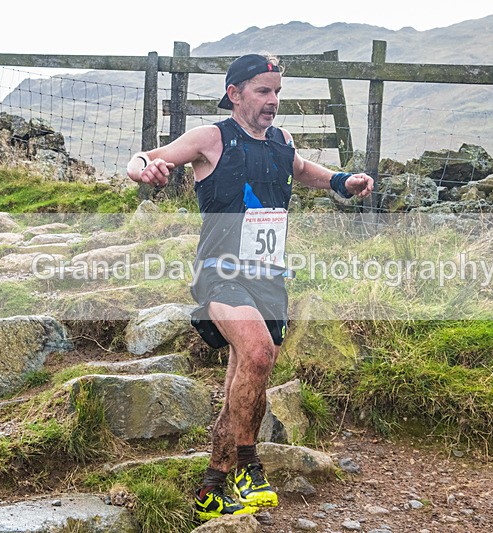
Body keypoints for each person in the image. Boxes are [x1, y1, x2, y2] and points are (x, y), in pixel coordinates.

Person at [126, 52, 373, 520]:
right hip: (220, 273)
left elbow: (300, 169)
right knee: (259, 353)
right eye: (263, 91)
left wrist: (343, 180)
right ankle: (248, 464)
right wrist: (146, 169)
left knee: (248, 376)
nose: (273, 101)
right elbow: (145, 159)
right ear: (234, 93)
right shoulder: (212, 138)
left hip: (268, 276)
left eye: (277, 91)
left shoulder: (281, 140)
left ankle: (212, 488)